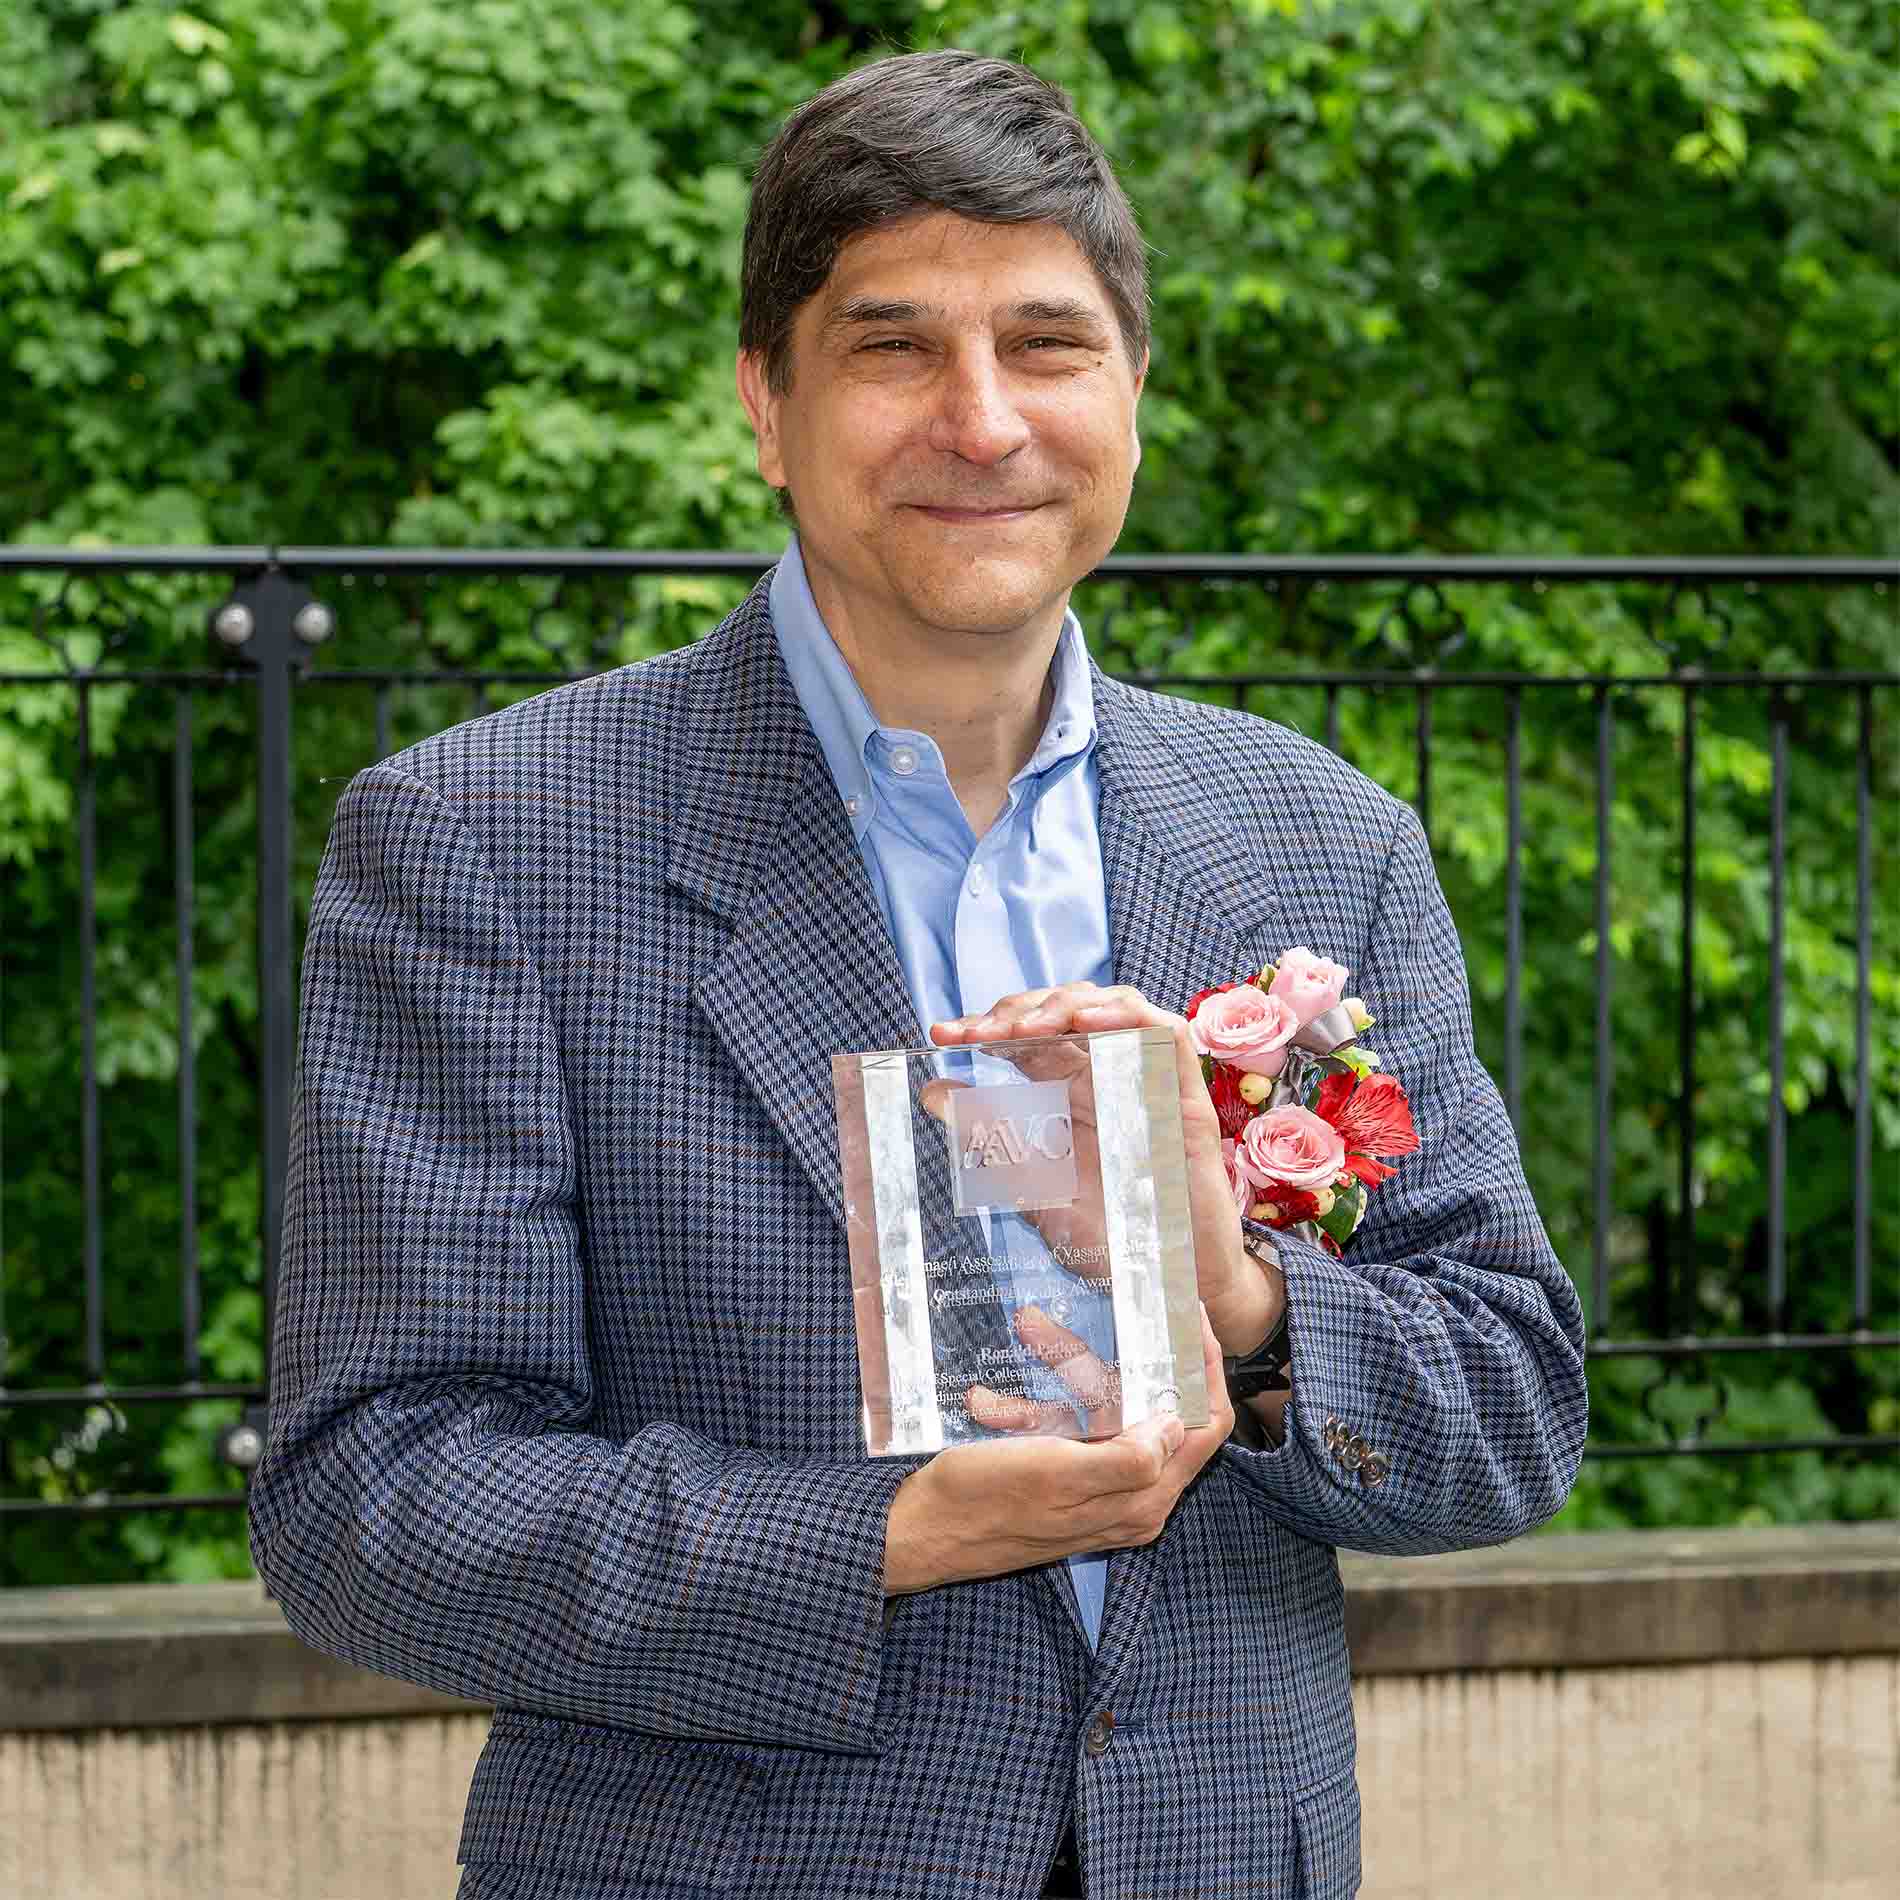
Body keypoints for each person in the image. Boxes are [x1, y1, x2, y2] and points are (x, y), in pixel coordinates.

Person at [250, 49, 1588, 1900]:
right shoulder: (485, 843)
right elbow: (368, 1499)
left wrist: (1253, 1302)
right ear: (765, 402)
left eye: (1046, 344)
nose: (981, 420)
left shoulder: (1314, 840)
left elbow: (1515, 1411)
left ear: (1135, 391)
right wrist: (880, 1537)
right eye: (893, 348)